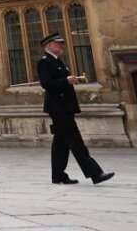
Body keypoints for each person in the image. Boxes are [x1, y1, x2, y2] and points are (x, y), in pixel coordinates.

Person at [38, 32, 115, 185]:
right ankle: (96, 174)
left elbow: (59, 80)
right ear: (50, 45)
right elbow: (46, 84)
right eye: (58, 43)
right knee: (75, 141)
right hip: (58, 108)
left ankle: (58, 176)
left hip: (64, 106)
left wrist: (69, 80)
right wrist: (66, 80)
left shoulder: (57, 61)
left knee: (61, 142)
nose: (60, 46)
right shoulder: (45, 62)